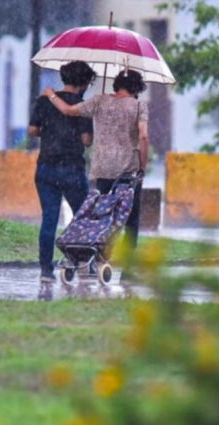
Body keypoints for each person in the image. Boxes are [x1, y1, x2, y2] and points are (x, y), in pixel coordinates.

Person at [42, 69, 149, 252]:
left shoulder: (99, 101)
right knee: (130, 221)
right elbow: (144, 137)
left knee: (100, 216)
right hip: (128, 171)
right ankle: (129, 269)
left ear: (117, 84)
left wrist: (51, 95)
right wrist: (142, 167)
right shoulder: (139, 106)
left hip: (102, 169)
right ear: (136, 88)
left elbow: (68, 110)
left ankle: (96, 256)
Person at [29, 61, 96, 282]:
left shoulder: (44, 100)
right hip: (72, 169)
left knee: (49, 219)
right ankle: (81, 261)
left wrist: (51, 131)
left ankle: (46, 271)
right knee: (82, 218)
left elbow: (33, 130)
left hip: (46, 167)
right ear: (84, 83)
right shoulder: (83, 106)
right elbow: (87, 140)